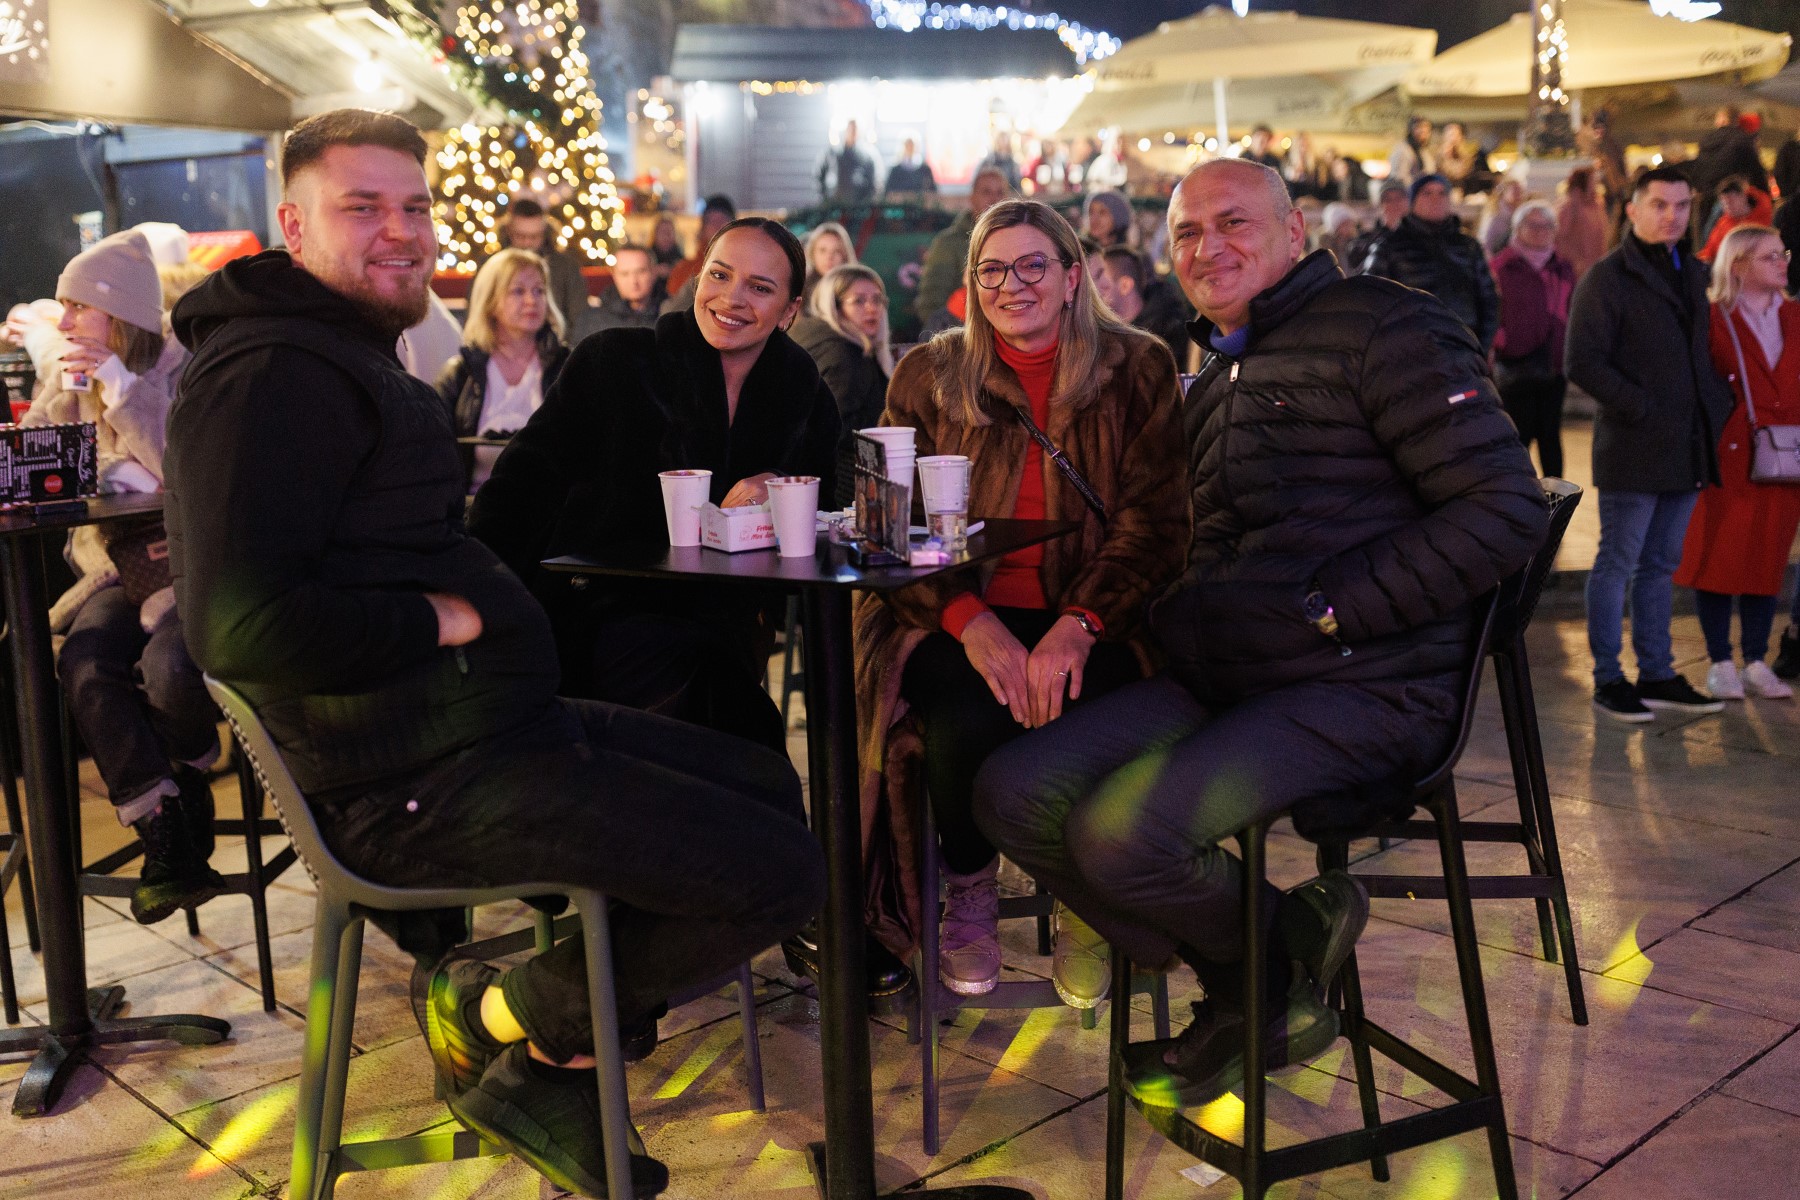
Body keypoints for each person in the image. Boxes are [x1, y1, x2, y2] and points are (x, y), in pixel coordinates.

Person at [166, 109, 825, 1198]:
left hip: (484, 730)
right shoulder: (271, 375)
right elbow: (237, 627)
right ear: (292, 223)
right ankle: (502, 1019)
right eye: (362, 207)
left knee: (763, 781)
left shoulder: (334, 352)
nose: (401, 231)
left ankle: (549, 1045)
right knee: (781, 872)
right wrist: (443, 620)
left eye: (414, 206)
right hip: (408, 782)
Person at [973, 159, 1546, 1107]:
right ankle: (1270, 963)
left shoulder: (1385, 326)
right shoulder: (1218, 367)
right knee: (1015, 791)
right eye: (1187, 233)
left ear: (1294, 229)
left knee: (1119, 837)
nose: (1208, 248)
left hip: (1366, 682)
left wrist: (1333, 607)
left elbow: (1505, 510)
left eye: (1233, 222)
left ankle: (1252, 986)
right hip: (1237, 673)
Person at [855, 197, 1188, 1000]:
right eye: (993, 270)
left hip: (1100, 610)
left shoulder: (1138, 366)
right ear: (972, 284)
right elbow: (881, 525)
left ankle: (1083, 898)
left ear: (1073, 276)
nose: (1012, 286)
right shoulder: (927, 372)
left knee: (1087, 704)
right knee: (965, 712)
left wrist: (1080, 624)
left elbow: (1156, 525)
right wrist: (970, 623)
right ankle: (969, 886)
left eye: (1033, 265)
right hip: (948, 611)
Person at [469, 216, 840, 754]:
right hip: (594, 612)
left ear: (789, 311)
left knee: (728, 718)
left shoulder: (803, 392)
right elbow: (515, 494)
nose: (732, 298)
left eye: (760, 288)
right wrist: (483, 616)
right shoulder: (615, 361)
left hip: (722, 626)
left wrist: (782, 490)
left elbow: (829, 516)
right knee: (734, 729)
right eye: (720, 275)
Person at [31, 230, 225, 926]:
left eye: (76, 306)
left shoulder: (185, 369)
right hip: (115, 569)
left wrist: (120, 388)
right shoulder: (68, 372)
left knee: (169, 669)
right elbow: (40, 467)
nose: (63, 322)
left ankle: (190, 769)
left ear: (118, 312)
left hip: (190, 564)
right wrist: (71, 413)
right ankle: (166, 832)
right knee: (84, 663)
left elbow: (185, 471)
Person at [1567, 165, 1735, 723]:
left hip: (1685, 443)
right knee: (1618, 560)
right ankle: (1608, 678)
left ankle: (1658, 672)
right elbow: (1582, 361)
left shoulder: (1692, 270)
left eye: (1682, 206)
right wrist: (1641, 406)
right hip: (1634, 445)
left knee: (1661, 564)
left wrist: (1714, 402)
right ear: (1633, 209)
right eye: (1660, 205)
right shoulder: (1608, 277)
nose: (1673, 216)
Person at [1673, 226, 1800, 701]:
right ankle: (1721, 661)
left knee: (1768, 555)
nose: (1782, 263)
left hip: (1786, 453)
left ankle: (1756, 661)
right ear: (1739, 265)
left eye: (1783, 254)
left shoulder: (1795, 315)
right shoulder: (1714, 318)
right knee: (1719, 556)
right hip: (1729, 452)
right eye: (1770, 256)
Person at [435, 248, 571, 492]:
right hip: (474, 505)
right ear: (490, 301)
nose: (532, 300)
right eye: (518, 291)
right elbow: (435, 453)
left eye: (539, 291)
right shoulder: (460, 373)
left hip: (552, 505)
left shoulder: (567, 367)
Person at [790, 263, 894, 505]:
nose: (872, 308)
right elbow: (838, 430)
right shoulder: (844, 355)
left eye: (877, 299)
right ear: (834, 307)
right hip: (842, 489)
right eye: (859, 301)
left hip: (809, 485)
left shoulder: (820, 341)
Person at [1364, 174, 1500, 353]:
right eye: (1427, 193)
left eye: (1442, 193)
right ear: (1413, 201)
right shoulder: (1389, 246)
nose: (1436, 199)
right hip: (1411, 351)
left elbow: (1488, 298)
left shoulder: (1468, 246)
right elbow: (1371, 300)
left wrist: (1482, 345)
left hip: (1464, 349)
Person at [1492, 201, 1576, 479]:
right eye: (1533, 226)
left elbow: (1571, 308)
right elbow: (1491, 311)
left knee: (1550, 436)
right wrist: (1503, 342)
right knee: (1518, 437)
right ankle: (1517, 495)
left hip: (1553, 363)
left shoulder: (1562, 268)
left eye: (1547, 226)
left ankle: (1557, 499)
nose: (1541, 232)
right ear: (1517, 229)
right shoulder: (1502, 267)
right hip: (1515, 364)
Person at [914, 166, 1010, 325]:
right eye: (986, 192)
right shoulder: (948, 243)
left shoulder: (1017, 242)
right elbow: (931, 305)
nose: (994, 199)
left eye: (1000, 193)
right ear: (972, 198)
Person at [493, 197, 591, 342]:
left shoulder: (566, 267)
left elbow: (580, 319)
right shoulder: (492, 266)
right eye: (520, 236)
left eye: (534, 237)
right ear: (509, 232)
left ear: (544, 233)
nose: (527, 243)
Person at [1090, 244, 1192, 364]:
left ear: (1125, 285)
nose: (1095, 288)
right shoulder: (1105, 333)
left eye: (1099, 276)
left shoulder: (1166, 335)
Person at [662, 193, 737, 311]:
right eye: (711, 221)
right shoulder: (685, 269)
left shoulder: (743, 267)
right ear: (703, 227)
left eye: (722, 220)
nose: (716, 226)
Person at [589, 243, 663, 332]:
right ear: (614, 276)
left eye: (640, 272)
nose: (633, 281)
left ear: (654, 272)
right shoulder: (594, 320)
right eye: (625, 274)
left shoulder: (670, 313)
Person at [1555, 166, 1611, 282]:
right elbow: (1559, 237)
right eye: (1592, 181)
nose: (1596, 184)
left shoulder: (1597, 205)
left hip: (1596, 266)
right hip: (1574, 270)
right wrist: (1575, 261)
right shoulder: (1568, 206)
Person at [1700, 176, 1774, 262]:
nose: (1727, 206)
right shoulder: (1723, 223)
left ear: (1743, 196)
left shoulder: (1764, 216)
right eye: (1724, 203)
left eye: (1731, 201)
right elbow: (1709, 250)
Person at [817, 119, 880, 205]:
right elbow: (819, 176)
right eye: (850, 129)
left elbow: (872, 183)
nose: (852, 133)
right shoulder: (832, 154)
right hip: (834, 204)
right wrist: (824, 200)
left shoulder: (865, 157)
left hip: (857, 206)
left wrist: (866, 203)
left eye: (854, 130)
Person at [1346, 181, 1406, 269]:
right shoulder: (1367, 239)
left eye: (1399, 198)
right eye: (1388, 200)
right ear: (1381, 205)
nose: (1394, 204)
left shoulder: (1418, 235)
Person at [800, 221, 856, 308]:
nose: (829, 257)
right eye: (822, 250)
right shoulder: (800, 289)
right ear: (812, 253)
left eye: (836, 251)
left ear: (845, 255)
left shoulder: (857, 287)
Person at [1477, 178, 1525, 259]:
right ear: (1504, 193)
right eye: (1515, 191)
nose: (1519, 195)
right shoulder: (1495, 214)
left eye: (1520, 192)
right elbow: (1486, 243)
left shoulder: (1520, 212)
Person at [1387, 116, 1434, 190]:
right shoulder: (1402, 150)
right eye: (1419, 129)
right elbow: (1399, 178)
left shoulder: (1423, 151)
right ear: (1411, 131)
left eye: (1426, 131)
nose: (1423, 133)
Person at [1315, 201, 1359, 267]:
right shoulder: (1325, 247)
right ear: (1335, 227)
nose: (1350, 228)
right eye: (1345, 224)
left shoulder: (1354, 243)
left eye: (1350, 224)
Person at [1437, 121, 1476, 189]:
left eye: (1455, 135)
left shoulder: (1468, 156)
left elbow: (1460, 175)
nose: (1452, 139)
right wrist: (1445, 156)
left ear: (1462, 137)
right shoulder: (1437, 155)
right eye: (1449, 135)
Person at [649, 215, 684, 282]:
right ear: (654, 234)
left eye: (668, 232)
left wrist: (673, 273)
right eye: (662, 232)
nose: (665, 236)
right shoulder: (647, 258)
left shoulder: (681, 261)